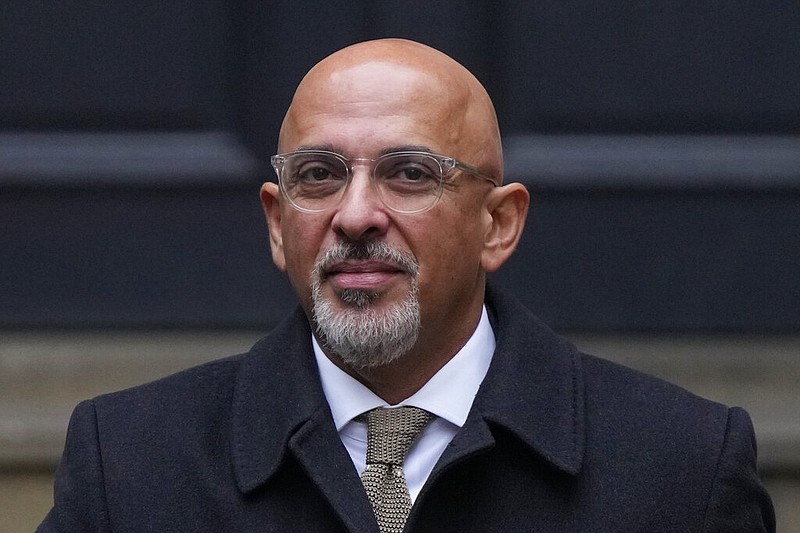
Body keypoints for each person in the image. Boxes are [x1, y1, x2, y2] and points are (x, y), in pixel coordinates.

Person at [39, 38, 774, 532]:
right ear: (276, 221)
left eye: (410, 173)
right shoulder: (129, 465)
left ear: (499, 225)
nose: (356, 215)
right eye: (319, 175)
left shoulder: (683, 470)